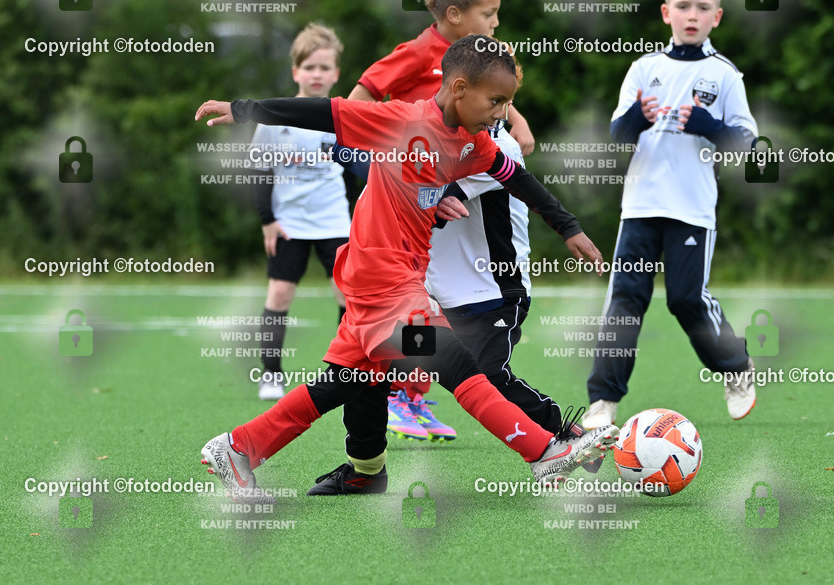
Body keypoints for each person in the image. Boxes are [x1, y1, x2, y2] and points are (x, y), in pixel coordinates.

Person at [196, 35, 618, 500]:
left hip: (383, 283)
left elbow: (518, 178)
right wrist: (245, 109)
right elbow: (324, 112)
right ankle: (544, 454)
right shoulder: (402, 122)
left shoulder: (471, 142)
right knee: (455, 361)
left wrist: (569, 227)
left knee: (343, 383)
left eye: (508, 102)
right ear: (459, 89)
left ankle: (237, 448)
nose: (503, 112)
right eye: (496, 101)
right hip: (383, 282)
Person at [347, 0, 536, 441]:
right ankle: (393, 399)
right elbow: (358, 100)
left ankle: (408, 399)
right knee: (404, 300)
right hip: (404, 189)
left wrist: (516, 123)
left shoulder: (480, 63)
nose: (497, 22)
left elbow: (492, 105)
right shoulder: (415, 53)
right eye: (488, 14)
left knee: (428, 303)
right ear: (455, 15)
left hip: (441, 188)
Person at [582, 0, 759, 430]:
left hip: (691, 209)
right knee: (625, 300)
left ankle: (736, 367)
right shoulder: (645, 69)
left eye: (703, 7)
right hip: (641, 206)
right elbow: (619, 134)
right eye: (683, 6)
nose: (692, 15)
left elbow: (746, 142)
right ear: (666, 12)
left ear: (717, 16)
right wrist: (637, 118)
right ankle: (603, 402)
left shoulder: (725, 75)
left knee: (686, 299)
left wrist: (709, 126)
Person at [248, 23, 352, 400]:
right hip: (288, 224)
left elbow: (360, 172)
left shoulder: (345, 116)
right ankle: (271, 375)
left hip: (335, 222)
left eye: (325, 68)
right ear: (295, 72)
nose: (317, 74)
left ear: (336, 73)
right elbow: (260, 172)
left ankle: (347, 370)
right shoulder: (274, 118)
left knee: (348, 295)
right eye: (310, 67)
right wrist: (268, 222)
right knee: (279, 295)